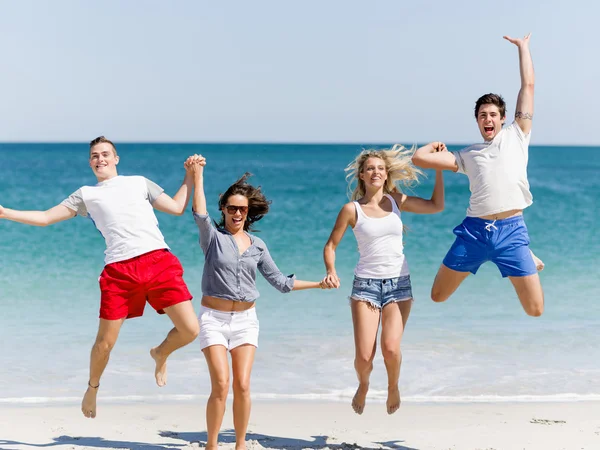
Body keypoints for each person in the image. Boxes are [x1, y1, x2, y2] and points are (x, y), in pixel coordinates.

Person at [0, 136, 200, 418]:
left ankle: (160, 353)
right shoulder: (86, 194)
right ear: (90, 162)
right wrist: (5, 212)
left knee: (190, 330)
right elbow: (45, 218)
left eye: (105, 154)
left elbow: (178, 207)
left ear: (116, 158)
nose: (100, 159)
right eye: (94, 155)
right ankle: (92, 388)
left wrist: (189, 176)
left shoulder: (139, 182)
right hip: (119, 271)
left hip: (159, 261)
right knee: (104, 343)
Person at [188, 155, 330, 450]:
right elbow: (200, 214)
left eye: (242, 209)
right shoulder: (212, 238)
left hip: (245, 322)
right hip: (213, 319)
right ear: (224, 210)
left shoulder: (258, 246)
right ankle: (211, 445)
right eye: (232, 208)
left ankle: (241, 444)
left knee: (242, 385)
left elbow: (281, 282)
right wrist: (198, 175)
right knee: (221, 385)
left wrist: (319, 283)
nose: (237, 213)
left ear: (248, 212)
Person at [411, 33, 545, 317]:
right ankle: (523, 257)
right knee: (437, 296)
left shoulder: (517, 135)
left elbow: (528, 86)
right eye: (483, 115)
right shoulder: (467, 155)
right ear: (477, 121)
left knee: (535, 310)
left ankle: (526, 255)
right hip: (474, 232)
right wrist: (434, 145)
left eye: (493, 114)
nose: (488, 119)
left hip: (511, 231)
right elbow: (418, 158)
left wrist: (523, 48)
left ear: (503, 118)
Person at [322, 145, 444, 415]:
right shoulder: (351, 210)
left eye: (380, 168)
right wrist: (331, 270)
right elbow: (330, 245)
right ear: (362, 176)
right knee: (364, 357)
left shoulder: (396, 201)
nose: (375, 172)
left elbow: (436, 206)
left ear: (386, 173)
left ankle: (393, 386)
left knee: (390, 349)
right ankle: (363, 384)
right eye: (370, 169)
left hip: (398, 285)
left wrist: (438, 169)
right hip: (365, 286)